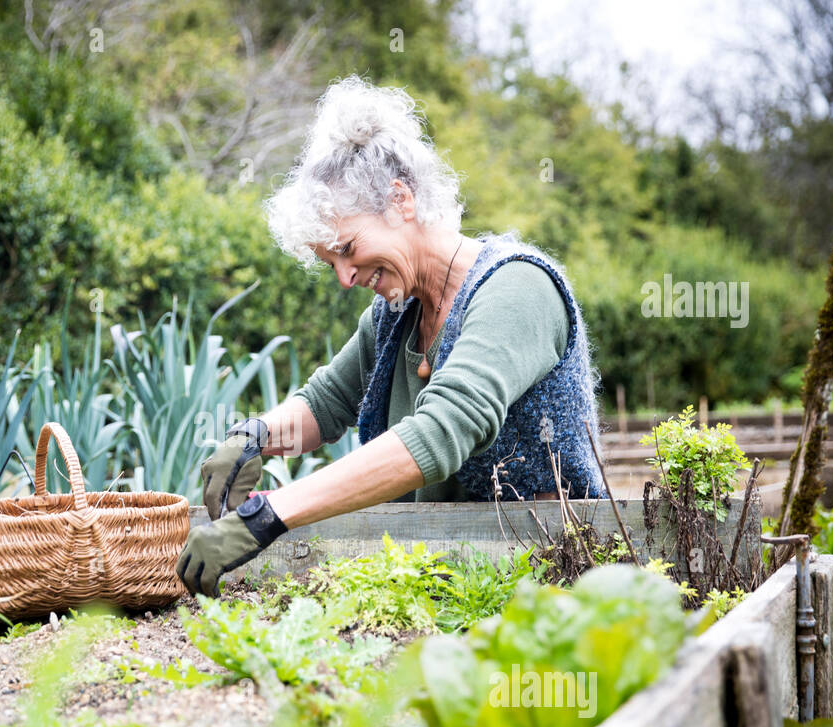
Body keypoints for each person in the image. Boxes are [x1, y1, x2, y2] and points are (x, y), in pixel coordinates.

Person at [178, 76, 607, 597]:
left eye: (348, 248)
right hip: (450, 576)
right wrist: (252, 439)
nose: (344, 276)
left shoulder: (518, 287)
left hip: (549, 579)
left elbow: (441, 432)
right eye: (330, 262)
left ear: (400, 201)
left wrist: (268, 516)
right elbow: (326, 403)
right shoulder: (398, 311)